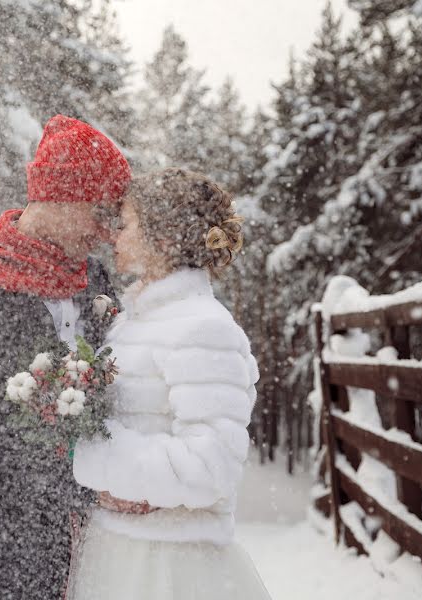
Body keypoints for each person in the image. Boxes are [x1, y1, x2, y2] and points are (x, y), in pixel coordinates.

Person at [0, 115, 131, 599]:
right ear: (60, 195)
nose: (105, 232)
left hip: (92, 547)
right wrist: (88, 486)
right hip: (0, 545)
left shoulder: (95, 281)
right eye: (98, 212)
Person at [67, 168, 273, 599]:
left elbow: (211, 465)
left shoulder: (203, 329)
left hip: (171, 567)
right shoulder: (133, 322)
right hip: (116, 553)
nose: (113, 236)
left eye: (125, 225)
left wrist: (99, 465)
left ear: (161, 237)